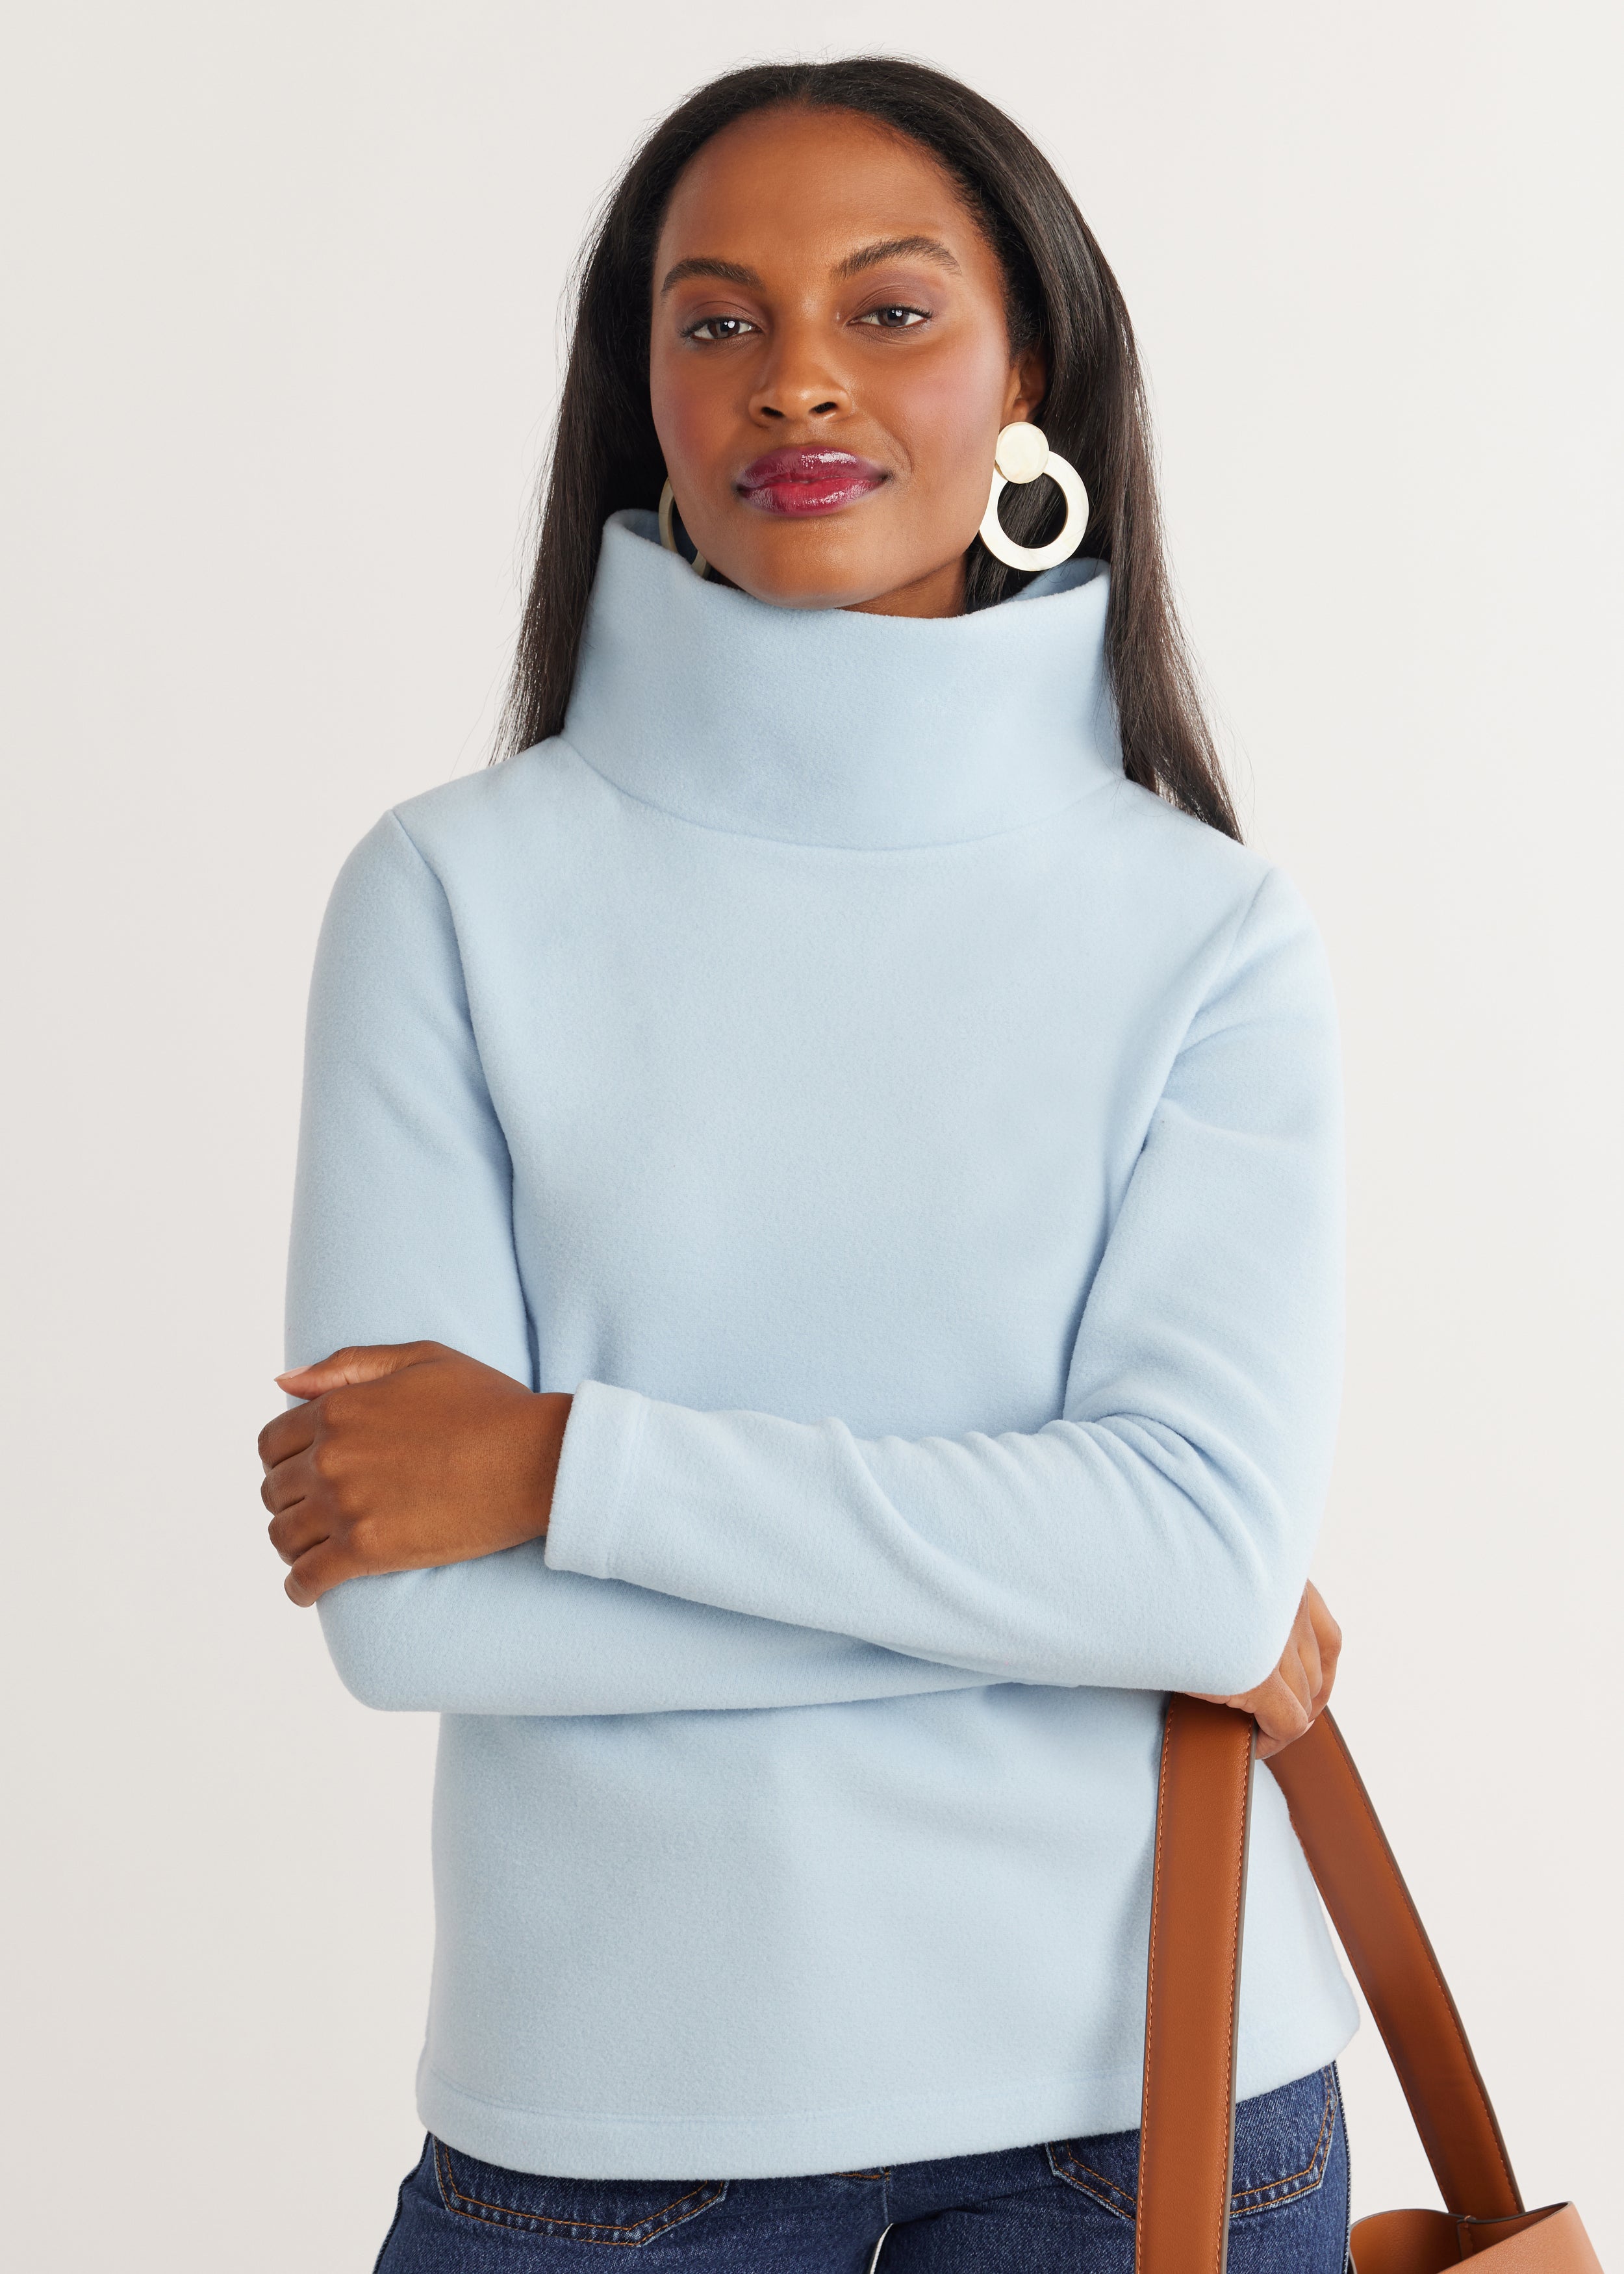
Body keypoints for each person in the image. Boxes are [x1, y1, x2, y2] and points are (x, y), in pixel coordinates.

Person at [258, 58, 1355, 2273]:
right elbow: (405, 1607)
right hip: (600, 2135)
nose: (796, 379)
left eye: (889, 308)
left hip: (1147, 2111)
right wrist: (1083, 1601)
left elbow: (1193, 1571)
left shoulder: (1204, 928)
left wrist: (560, 1465)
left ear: (1026, 368)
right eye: (718, 319)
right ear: (644, 384)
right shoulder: (452, 893)